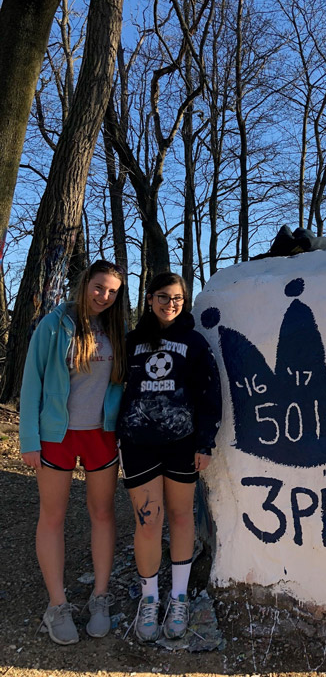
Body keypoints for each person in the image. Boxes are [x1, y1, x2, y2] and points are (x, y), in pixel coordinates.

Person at [20, 260, 127, 645]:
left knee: (102, 512)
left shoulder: (118, 328)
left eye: (113, 291)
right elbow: (32, 382)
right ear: (85, 285)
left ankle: (100, 596)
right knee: (53, 515)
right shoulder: (54, 326)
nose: (105, 296)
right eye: (99, 287)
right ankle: (57, 604)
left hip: (101, 434)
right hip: (56, 436)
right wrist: (29, 439)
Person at [116, 272, 221, 642]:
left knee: (179, 516)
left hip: (182, 443)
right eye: (163, 297)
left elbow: (210, 393)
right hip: (138, 443)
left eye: (177, 298)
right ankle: (149, 598)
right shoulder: (131, 342)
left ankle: (178, 597)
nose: (170, 304)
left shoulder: (194, 342)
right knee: (148, 521)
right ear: (149, 299)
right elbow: (114, 388)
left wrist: (205, 442)